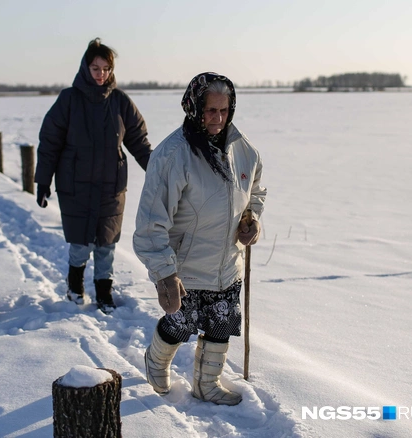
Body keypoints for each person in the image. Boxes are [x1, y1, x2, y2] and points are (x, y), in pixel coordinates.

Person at [133, 72, 266, 405]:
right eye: (210, 111)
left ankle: (207, 384)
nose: (218, 119)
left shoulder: (243, 150)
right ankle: (155, 362)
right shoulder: (173, 155)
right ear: (194, 109)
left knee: (222, 325)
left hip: (226, 264)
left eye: (224, 111)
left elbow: (255, 190)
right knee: (179, 325)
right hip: (185, 268)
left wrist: (252, 219)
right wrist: (164, 273)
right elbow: (151, 222)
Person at [35, 38, 152, 313]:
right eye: (95, 68)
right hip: (75, 186)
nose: (101, 74)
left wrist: (157, 171)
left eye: (106, 69)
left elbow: (138, 141)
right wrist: (43, 180)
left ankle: (104, 293)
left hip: (111, 186)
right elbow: (50, 141)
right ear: (85, 68)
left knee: (106, 245)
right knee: (79, 245)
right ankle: (75, 286)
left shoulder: (121, 101)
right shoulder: (69, 99)